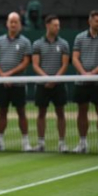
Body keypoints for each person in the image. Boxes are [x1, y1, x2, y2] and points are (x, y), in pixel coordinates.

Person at [0, 12, 33, 152]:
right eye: (11, 22)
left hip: (18, 84)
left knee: (21, 112)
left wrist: (10, 74)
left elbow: (26, 62)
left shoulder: (26, 42)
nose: (13, 24)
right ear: (7, 24)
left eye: (16, 22)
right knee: (2, 112)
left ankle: (26, 142)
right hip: (3, 83)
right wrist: (2, 75)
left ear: (20, 24)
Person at [31, 15, 70, 152]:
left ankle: (62, 143)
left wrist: (55, 79)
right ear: (47, 25)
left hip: (58, 84)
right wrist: (46, 78)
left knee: (61, 113)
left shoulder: (64, 44)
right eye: (55, 25)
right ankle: (41, 143)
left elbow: (65, 65)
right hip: (42, 85)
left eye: (58, 25)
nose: (57, 28)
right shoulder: (37, 44)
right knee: (41, 113)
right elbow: (35, 65)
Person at [71, 10, 98, 154]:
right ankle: (82, 143)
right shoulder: (80, 37)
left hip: (97, 82)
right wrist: (83, 73)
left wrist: (93, 73)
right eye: (96, 21)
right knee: (82, 112)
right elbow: (75, 57)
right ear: (90, 21)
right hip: (82, 82)